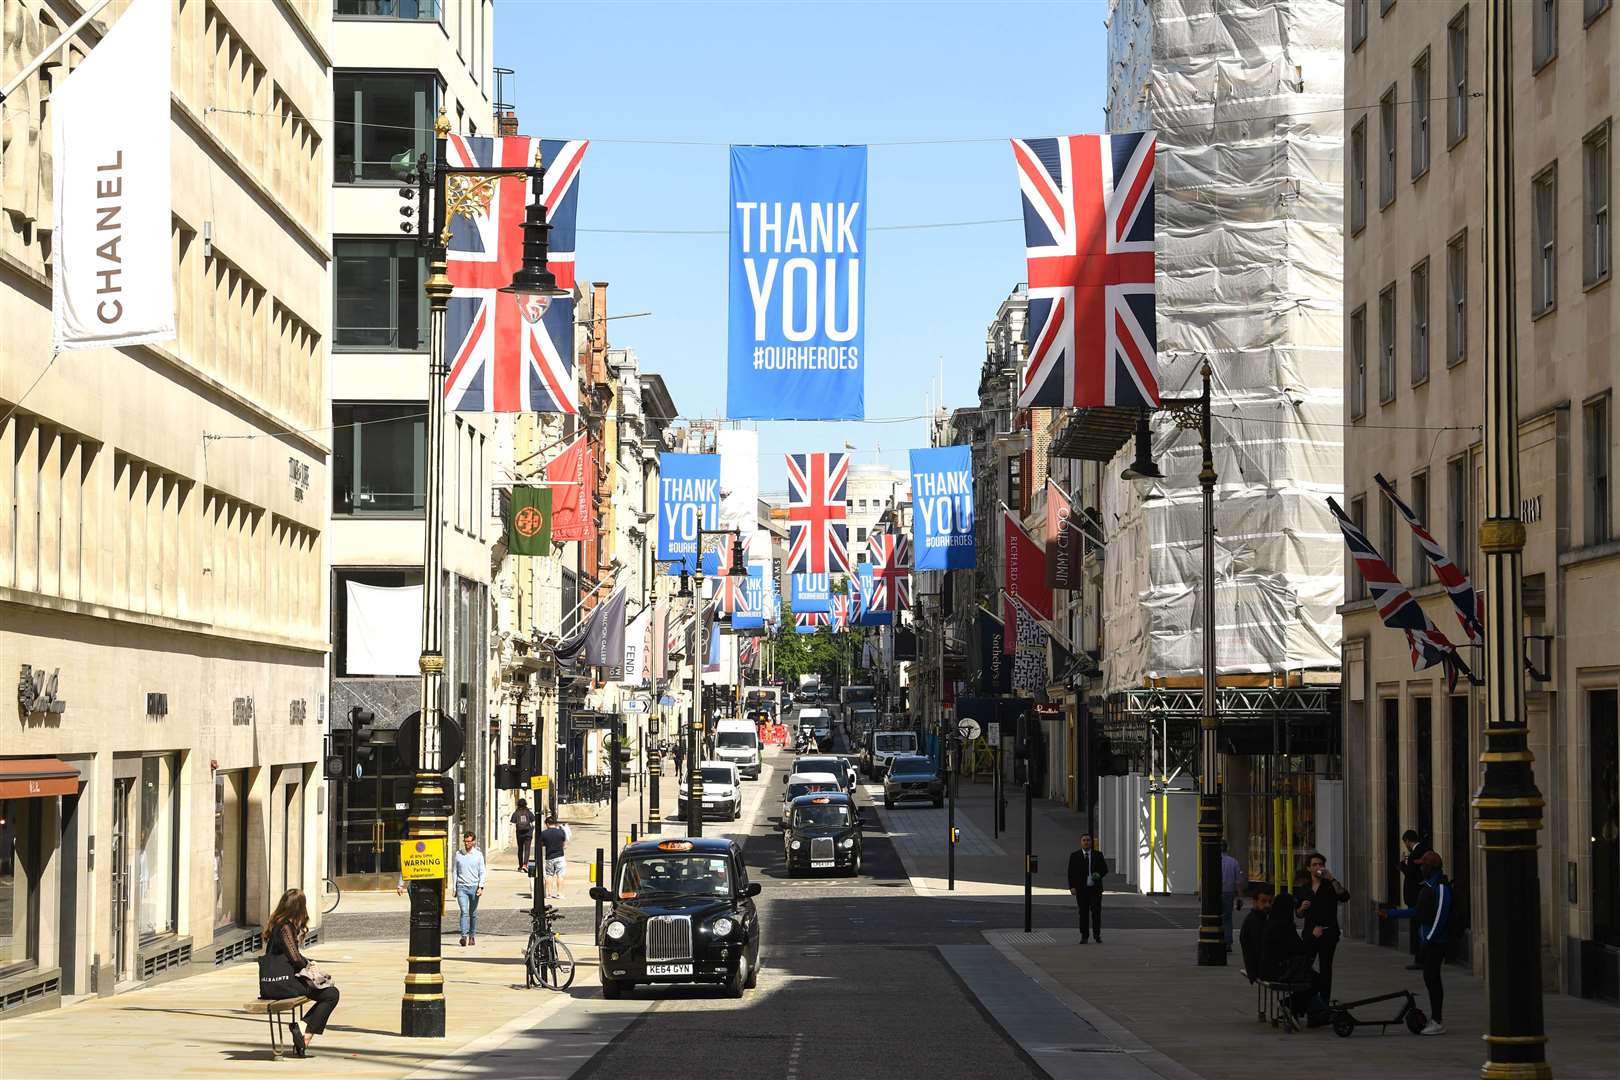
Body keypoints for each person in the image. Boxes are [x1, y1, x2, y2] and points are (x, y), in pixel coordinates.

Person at [1380, 850, 1453, 1036]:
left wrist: (1428, 940)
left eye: (1423, 865)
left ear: (1431, 867)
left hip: (1437, 942)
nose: (1420, 868)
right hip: (1429, 940)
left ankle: (1437, 1021)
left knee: (1432, 978)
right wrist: (1392, 913)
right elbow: (1417, 912)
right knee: (1430, 978)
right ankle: (1436, 1019)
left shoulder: (1442, 887)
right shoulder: (1428, 885)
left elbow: (1440, 917)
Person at [261, 889, 339, 1057]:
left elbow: (290, 955)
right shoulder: (285, 927)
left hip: (271, 982)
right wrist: (310, 966)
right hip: (282, 984)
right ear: (299, 907)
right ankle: (304, 1031)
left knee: (327, 992)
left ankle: (303, 1029)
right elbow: (295, 958)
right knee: (331, 994)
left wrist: (308, 963)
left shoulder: (277, 924)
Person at [1298, 851, 1350, 1002]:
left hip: (1328, 933)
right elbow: (1299, 914)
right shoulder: (1304, 888)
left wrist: (1332, 878)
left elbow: (1345, 896)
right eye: (1314, 865)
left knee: (1326, 968)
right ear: (1309, 868)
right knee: (1305, 966)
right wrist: (1301, 908)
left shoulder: (1330, 885)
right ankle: (1308, 998)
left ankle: (1324, 1003)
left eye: (1321, 864)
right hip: (1310, 933)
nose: (1318, 867)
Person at [1261, 890, 1321, 1018]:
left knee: (1311, 976)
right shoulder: (1284, 926)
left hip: (1269, 967)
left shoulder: (1271, 922)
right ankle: (1290, 1005)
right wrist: (1314, 936)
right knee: (1317, 980)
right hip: (1281, 970)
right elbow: (1299, 948)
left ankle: (1296, 1010)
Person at [1398, 829, 1432, 969]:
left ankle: (1420, 959)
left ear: (1407, 841)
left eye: (1405, 842)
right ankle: (1422, 957)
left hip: (1415, 896)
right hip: (1421, 895)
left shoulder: (1415, 854)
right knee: (1421, 927)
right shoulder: (1425, 849)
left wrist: (1401, 865)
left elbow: (1411, 874)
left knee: (1418, 928)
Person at [1066, 834, 1109, 944]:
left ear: (1091, 842)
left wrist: (1098, 874)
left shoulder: (1098, 855)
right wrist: (1072, 887)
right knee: (1083, 913)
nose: (1086, 842)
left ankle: (1097, 934)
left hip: (1095, 889)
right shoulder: (1075, 856)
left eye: (1088, 840)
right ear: (1081, 842)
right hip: (1081, 890)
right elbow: (1071, 872)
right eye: (1084, 840)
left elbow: (1105, 869)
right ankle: (1084, 935)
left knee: (1096, 912)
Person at [453, 831, 486, 946]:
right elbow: (455, 871)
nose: (467, 843)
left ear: (473, 842)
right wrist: (454, 887)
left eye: (469, 841)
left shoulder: (478, 855)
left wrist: (480, 886)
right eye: (465, 841)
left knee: (472, 913)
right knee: (464, 911)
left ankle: (472, 935)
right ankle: (463, 936)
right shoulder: (458, 854)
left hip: (474, 887)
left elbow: (482, 871)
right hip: (461, 886)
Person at [1237, 882, 1274, 981]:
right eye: (1263, 901)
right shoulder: (1255, 922)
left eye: (1270, 902)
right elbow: (1261, 949)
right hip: (1261, 970)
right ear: (1255, 902)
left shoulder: (1260, 918)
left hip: (1258, 969)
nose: (1267, 905)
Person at [1219, 841, 1244, 951]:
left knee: (1216, 917)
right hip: (1229, 893)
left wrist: (1201, 894)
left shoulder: (1213, 860)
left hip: (1216, 893)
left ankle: (1218, 939)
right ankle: (1228, 942)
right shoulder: (1233, 862)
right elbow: (1238, 881)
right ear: (1227, 848)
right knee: (1228, 918)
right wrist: (1240, 896)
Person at [539, 814, 571, 901]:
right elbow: (564, 845)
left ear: (547, 824)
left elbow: (541, 844)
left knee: (549, 875)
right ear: (555, 823)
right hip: (560, 856)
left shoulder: (544, 833)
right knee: (560, 875)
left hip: (549, 857)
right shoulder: (561, 832)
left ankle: (548, 894)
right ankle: (559, 893)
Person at [510, 797, 536, 873]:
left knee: (520, 849)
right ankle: (525, 865)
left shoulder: (516, 813)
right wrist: (532, 831)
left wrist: (510, 837)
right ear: (525, 804)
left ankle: (520, 866)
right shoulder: (529, 812)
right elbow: (534, 823)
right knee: (527, 849)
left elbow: (512, 824)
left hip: (519, 834)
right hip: (528, 833)